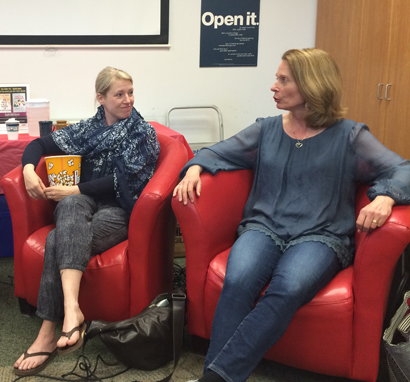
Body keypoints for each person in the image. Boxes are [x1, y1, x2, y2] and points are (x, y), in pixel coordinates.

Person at [174, 48, 410, 382]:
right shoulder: (266, 129)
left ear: (312, 86)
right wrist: (195, 166)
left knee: (287, 287)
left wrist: (386, 197)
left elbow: (403, 169)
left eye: (283, 80)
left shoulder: (350, 136)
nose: (274, 86)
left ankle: (214, 378)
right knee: (238, 281)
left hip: (321, 235)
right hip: (263, 227)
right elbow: (218, 150)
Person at [13, 67, 160, 376]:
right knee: (72, 203)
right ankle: (72, 309)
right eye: (119, 94)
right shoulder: (88, 129)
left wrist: (74, 188)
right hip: (83, 202)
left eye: (130, 92)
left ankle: (47, 332)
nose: (128, 100)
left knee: (57, 238)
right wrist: (28, 169)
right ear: (101, 98)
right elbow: (39, 145)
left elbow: (124, 181)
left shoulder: (141, 132)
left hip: (120, 208)